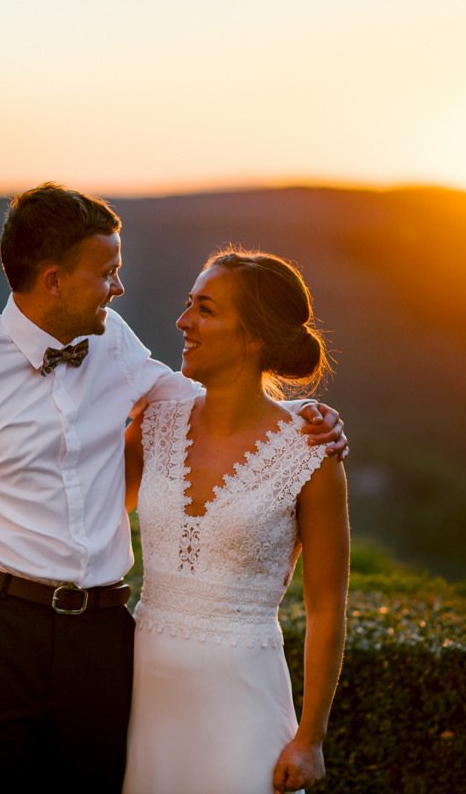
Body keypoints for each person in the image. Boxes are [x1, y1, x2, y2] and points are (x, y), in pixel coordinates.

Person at [0, 183, 347, 793]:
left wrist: (298, 421)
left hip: (104, 638)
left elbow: (197, 409)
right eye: (107, 272)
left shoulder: (115, 339)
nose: (119, 287)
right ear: (54, 280)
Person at [120, 248, 350, 793]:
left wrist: (311, 736)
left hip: (245, 701)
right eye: (187, 305)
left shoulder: (311, 450)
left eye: (205, 309)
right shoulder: (154, 423)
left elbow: (326, 605)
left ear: (253, 337)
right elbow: (81, 512)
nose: (183, 322)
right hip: (143, 694)